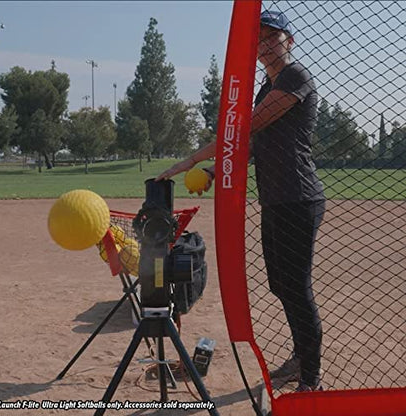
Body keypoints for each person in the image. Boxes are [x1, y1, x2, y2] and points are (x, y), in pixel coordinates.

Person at [156, 10, 325, 392]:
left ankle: (311, 377)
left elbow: (245, 129)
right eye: (259, 40)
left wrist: (192, 160)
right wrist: (215, 172)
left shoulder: (295, 77)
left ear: (289, 41)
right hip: (277, 200)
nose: (265, 45)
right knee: (280, 284)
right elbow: (249, 146)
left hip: (299, 197)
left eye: (272, 37)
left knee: (296, 286)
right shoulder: (266, 88)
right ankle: (301, 358)